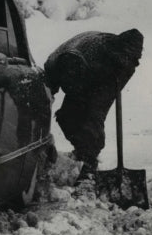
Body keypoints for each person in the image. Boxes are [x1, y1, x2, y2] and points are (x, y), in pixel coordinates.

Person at [44, 29, 144, 181]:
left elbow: (98, 111)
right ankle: (82, 150)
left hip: (109, 69)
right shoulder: (53, 65)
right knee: (65, 117)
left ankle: (90, 161)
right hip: (85, 60)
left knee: (93, 117)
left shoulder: (115, 64)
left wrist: (93, 146)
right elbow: (45, 95)